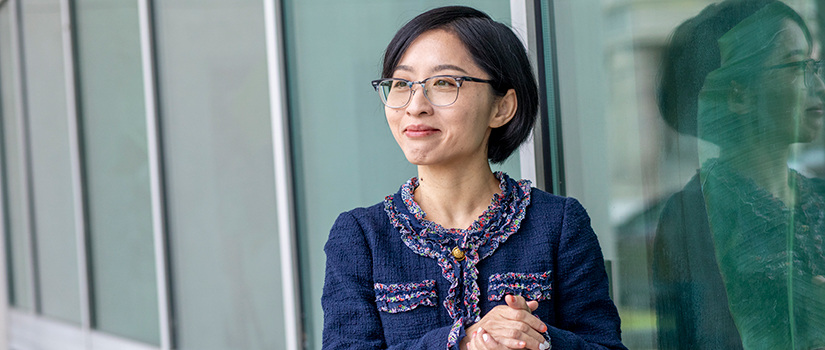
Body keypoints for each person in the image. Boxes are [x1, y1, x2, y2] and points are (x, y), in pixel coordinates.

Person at [321, 6, 626, 350]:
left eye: (444, 83)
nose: (415, 105)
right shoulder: (361, 236)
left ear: (501, 108)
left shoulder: (559, 224)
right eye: (401, 84)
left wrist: (538, 339)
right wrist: (461, 343)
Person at [653, 1, 825, 349]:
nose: (818, 85)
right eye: (796, 66)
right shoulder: (694, 215)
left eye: (814, 65)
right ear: (737, 94)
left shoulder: (820, 194)